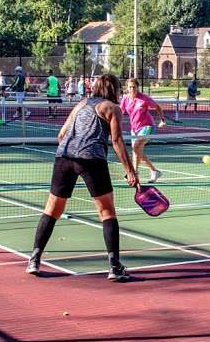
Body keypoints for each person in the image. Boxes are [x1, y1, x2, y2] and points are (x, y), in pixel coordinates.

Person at [26, 74, 139, 281]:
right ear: (114, 89)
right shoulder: (112, 108)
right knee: (107, 211)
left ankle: (34, 259)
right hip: (91, 159)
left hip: (64, 157)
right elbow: (116, 140)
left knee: (52, 209)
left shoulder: (82, 103)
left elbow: (61, 135)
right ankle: (114, 266)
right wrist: (130, 171)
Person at [120, 78, 167, 183]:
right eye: (130, 87)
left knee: (136, 147)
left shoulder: (144, 98)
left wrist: (162, 120)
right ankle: (154, 171)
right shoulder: (125, 99)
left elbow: (157, 107)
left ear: (137, 87)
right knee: (136, 151)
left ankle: (134, 173)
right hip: (134, 129)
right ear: (127, 88)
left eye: (134, 87)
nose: (132, 89)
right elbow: (120, 112)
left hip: (147, 127)